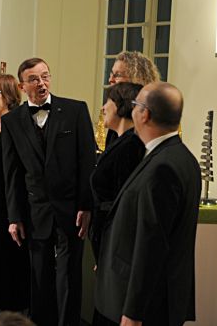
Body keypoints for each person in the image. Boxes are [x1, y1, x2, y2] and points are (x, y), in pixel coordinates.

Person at [95, 82, 201, 326]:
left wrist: (133, 312)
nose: (131, 111)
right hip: (157, 296)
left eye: (134, 105)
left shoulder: (163, 167)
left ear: (145, 113)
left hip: (149, 304)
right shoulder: (181, 157)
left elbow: (151, 245)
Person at [2, 58, 96, 326]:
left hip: (71, 210)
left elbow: (86, 162)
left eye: (45, 76)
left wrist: (86, 206)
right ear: (22, 86)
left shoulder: (75, 110)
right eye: (33, 79)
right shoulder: (12, 121)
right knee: (40, 277)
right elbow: (12, 174)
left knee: (68, 277)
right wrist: (14, 216)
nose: (41, 83)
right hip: (35, 211)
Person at [88, 82, 145, 326]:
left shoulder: (131, 145)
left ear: (120, 105)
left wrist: (108, 252)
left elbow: (123, 200)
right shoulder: (117, 140)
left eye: (108, 101)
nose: (103, 107)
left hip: (115, 241)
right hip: (105, 238)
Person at [0, 74, 29, 311]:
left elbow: (18, 175)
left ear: (9, 96)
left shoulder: (15, 126)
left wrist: (14, 216)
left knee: (10, 269)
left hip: (10, 211)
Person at [105, 51, 161, 146]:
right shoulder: (118, 115)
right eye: (111, 74)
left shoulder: (148, 118)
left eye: (117, 75)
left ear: (136, 79)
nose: (110, 80)